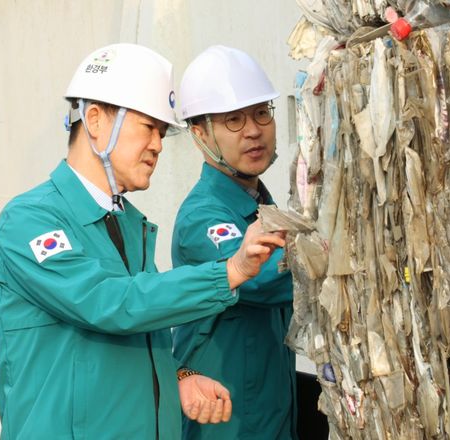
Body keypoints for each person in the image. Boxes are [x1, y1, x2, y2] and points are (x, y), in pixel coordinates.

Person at [0, 43, 286, 440]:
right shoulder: (28, 221)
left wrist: (181, 375)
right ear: (94, 120)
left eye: (162, 133)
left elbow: (143, 330)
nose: (158, 145)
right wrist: (230, 271)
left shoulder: (130, 224)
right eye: (148, 127)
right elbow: (109, 303)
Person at [172, 45, 297, 440]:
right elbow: (261, 277)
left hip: (269, 413)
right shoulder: (203, 217)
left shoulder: (259, 202)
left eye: (261, 113)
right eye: (233, 120)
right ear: (199, 134)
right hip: (225, 421)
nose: (253, 130)